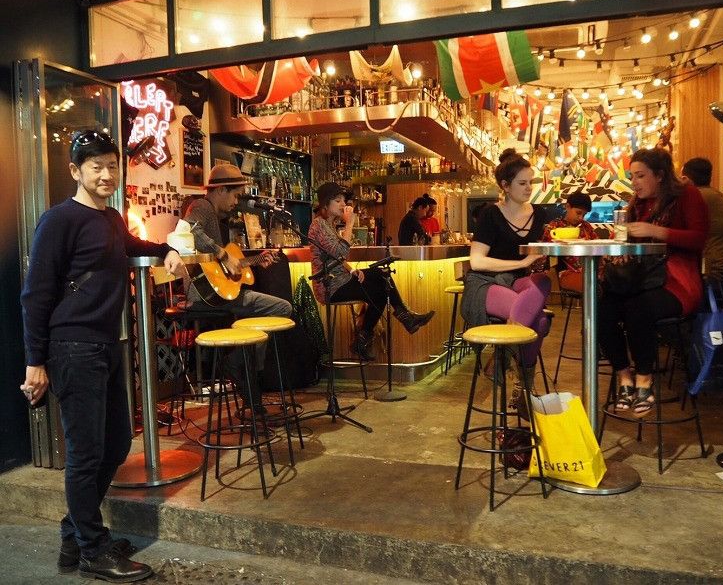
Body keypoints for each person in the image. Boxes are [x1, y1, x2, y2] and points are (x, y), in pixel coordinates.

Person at [20, 130, 186, 581]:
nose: (107, 174)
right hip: (72, 348)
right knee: (85, 454)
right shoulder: (58, 220)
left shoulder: (111, 218)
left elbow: (135, 247)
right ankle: (92, 551)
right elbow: (35, 295)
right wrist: (35, 361)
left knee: (116, 443)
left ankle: (75, 537)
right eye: (96, 166)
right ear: (75, 171)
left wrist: (168, 251)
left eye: (112, 165)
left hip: (108, 346)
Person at [598, 148, 708, 416]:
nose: (634, 183)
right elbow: (627, 243)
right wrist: (622, 252)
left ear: (659, 175)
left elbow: (698, 238)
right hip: (641, 280)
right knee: (601, 308)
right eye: (632, 177)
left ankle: (645, 381)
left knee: (638, 308)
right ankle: (624, 376)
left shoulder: (686, 195)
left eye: (640, 176)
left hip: (677, 282)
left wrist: (656, 231)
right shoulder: (636, 204)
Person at [184, 164, 293, 408]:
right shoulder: (201, 206)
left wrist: (254, 261)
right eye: (235, 195)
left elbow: (229, 265)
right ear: (221, 189)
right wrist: (223, 254)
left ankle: (244, 366)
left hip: (220, 293)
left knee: (265, 312)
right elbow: (189, 228)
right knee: (282, 308)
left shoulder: (216, 218)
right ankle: (243, 364)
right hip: (204, 296)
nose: (236, 201)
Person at [461, 149, 552, 414]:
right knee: (539, 321)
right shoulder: (491, 214)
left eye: (531, 182)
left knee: (543, 282)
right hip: (486, 282)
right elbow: (477, 261)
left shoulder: (539, 215)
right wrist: (522, 263)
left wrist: (542, 257)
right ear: (505, 186)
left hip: (517, 282)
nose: (529, 188)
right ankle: (522, 389)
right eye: (522, 183)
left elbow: (539, 256)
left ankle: (502, 359)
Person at [308, 182, 434, 359]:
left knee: (382, 282)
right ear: (325, 204)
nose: (343, 204)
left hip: (341, 279)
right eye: (338, 201)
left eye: (343, 200)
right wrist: (350, 224)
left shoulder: (328, 225)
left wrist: (352, 270)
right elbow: (341, 252)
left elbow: (337, 258)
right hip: (329, 286)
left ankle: (365, 340)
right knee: (381, 283)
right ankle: (402, 318)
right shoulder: (318, 225)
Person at [680, 157, 723, 287]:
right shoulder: (714, 195)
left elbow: (680, 231)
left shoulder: (697, 197)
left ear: (685, 179)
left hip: (717, 274)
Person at [542, 192, 598, 292]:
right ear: (567, 207)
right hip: (566, 272)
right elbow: (545, 251)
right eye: (578, 213)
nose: (581, 218)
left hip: (590, 270)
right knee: (593, 285)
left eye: (584, 215)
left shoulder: (586, 227)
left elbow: (598, 245)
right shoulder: (555, 226)